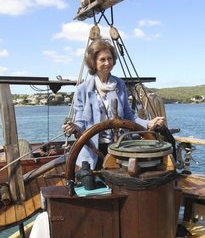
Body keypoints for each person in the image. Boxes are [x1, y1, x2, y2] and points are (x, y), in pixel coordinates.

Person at [63, 38, 165, 169]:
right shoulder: (82, 89)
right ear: (93, 62)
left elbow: (129, 117)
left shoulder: (120, 84)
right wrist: (74, 127)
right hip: (93, 150)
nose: (107, 63)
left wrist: (148, 123)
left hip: (119, 147)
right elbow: (80, 121)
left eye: (110, 58)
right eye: (102, 59)